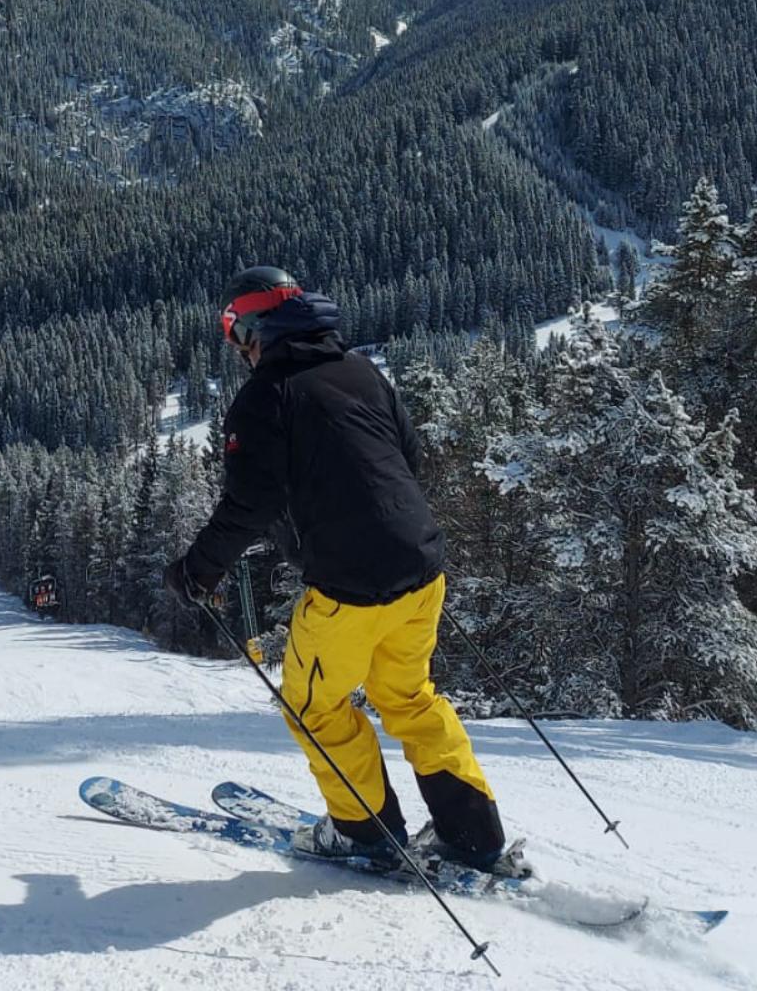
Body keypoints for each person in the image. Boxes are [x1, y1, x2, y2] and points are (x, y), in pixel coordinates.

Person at [165, 267, 516, 874]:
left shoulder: (264, 398)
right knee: (409, 698)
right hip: (421, 569)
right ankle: (473, 835)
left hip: (349, 589)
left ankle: (363, 830)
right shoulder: (360, 370)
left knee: (313, 705)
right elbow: (407, 457)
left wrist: (198, 570)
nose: (240, 350)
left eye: (236, 334)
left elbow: (250, 504)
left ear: (257, 328)